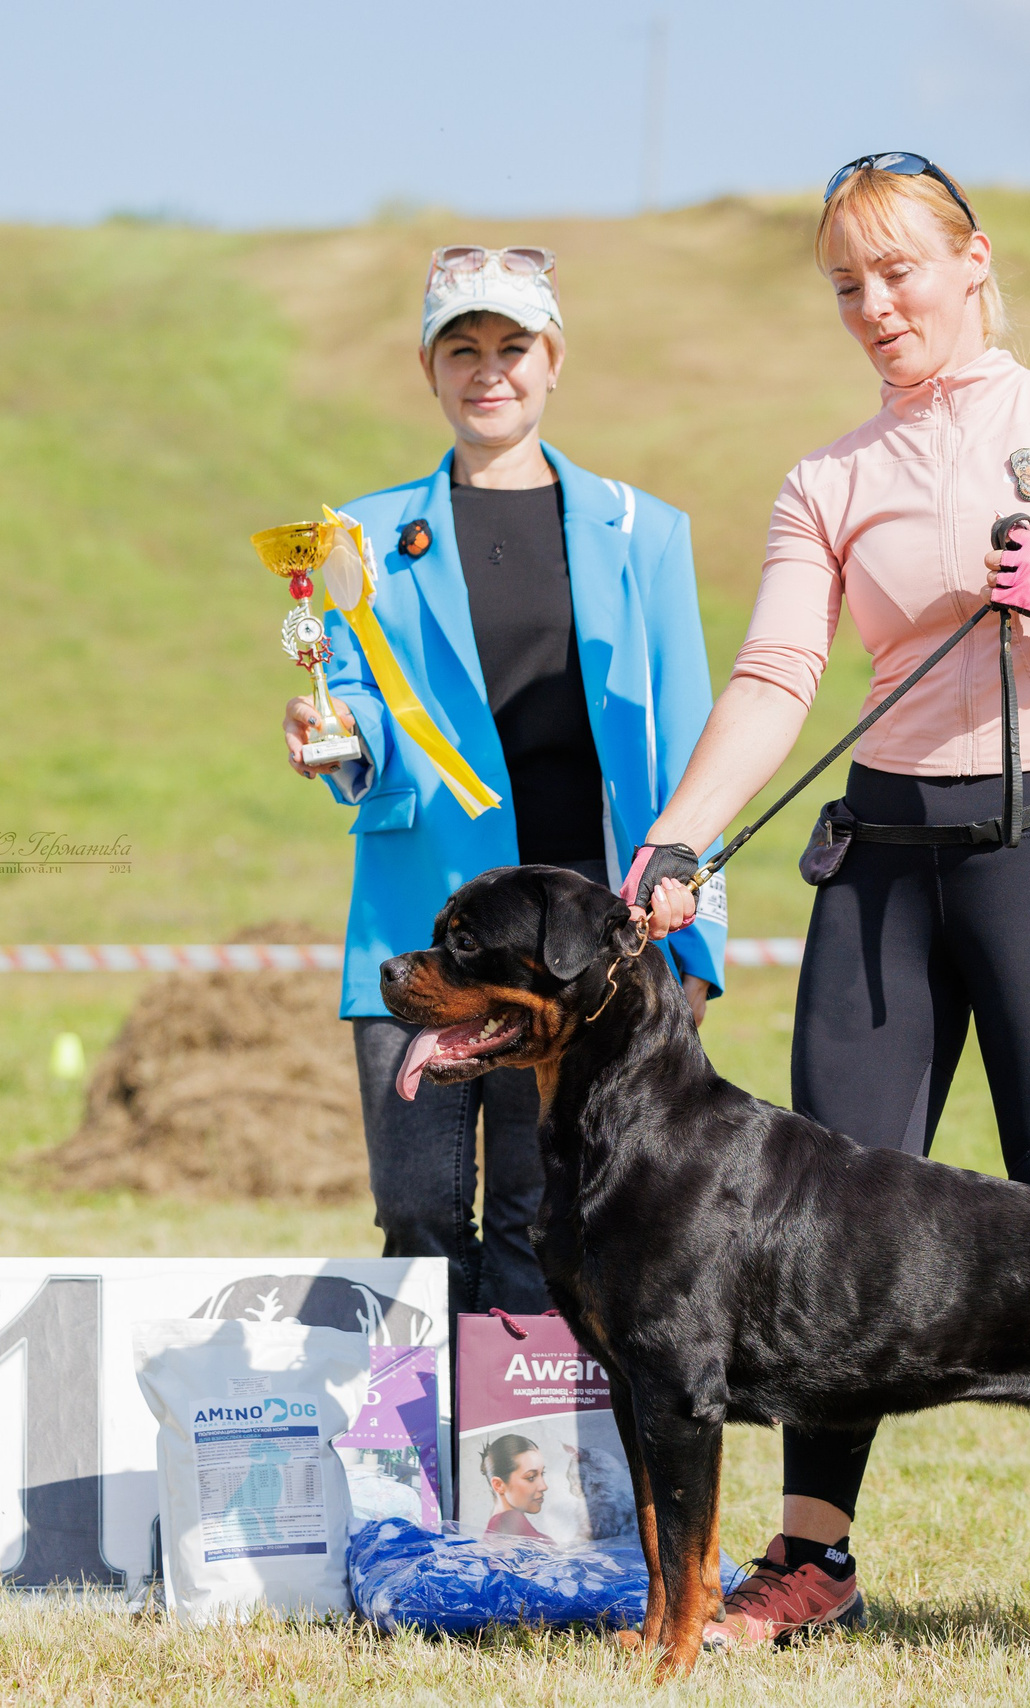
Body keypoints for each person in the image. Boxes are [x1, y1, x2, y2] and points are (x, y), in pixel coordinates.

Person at [627, 154, 1030, 1651]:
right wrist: (677, 838)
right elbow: (778, 679)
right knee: (823, 1213)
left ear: (975, 260)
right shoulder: (827, 479)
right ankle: (812, 1560)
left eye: (899, 271)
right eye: (846, 283)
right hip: (885, 865)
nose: (874, 305)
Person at [287, 244, 726, 1315]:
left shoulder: (645, 533)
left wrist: (697, 947)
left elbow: (692, 745)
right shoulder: (360, 537)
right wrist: (338, 737)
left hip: (585, 946)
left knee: (550, 1222)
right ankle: (420, 1464)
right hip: (421, 925)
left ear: (553, 359)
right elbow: (363, 708)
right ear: (428, 368)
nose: (490, 370)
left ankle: (526, 1474)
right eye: (463, 347)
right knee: (420, 1213)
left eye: (512, 346)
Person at [479, 1434, 551, 1539]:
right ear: (498, 1485)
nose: (544, 1486)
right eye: (531, 1477)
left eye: (542, 1474)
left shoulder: (497, 1527)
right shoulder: (509, 1521)